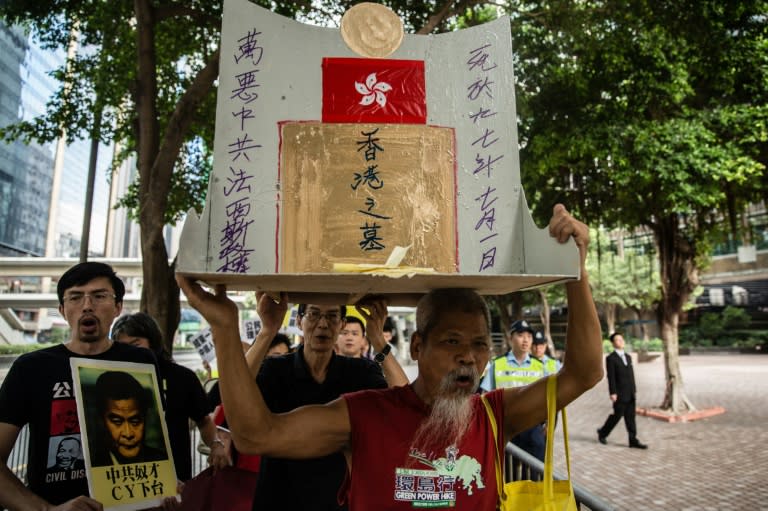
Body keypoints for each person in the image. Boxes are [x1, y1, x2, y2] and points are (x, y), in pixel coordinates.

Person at [177, 203, 603, 510]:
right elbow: (256, 435)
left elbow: (584, 372)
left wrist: (576, 272)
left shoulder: (495, 416)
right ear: (418, 347)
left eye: (479, 345)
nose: (469, 359)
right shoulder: (362, 414)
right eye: (452, 342)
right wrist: (223, 327)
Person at [0, 261, 158, 510]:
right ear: (62, 309)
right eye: (75, 297)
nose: (87, 305)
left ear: (117, 307)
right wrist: (48, 510)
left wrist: (165, 487)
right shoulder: (31, 368)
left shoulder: (140, 362)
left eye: (99, 296)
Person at [111, 312, 230, 480]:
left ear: (153, 342)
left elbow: (203, 421)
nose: (129, 352)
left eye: (136, 344)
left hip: (175, 478)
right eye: (122, 346)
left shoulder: (182, 377)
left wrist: (216, 445)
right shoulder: (109, 379)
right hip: (124, 478)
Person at [479, 319, 548, 461]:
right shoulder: (497, 364)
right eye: (521, 335)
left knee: (534, 476)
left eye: (529, 336)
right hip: (505, 428)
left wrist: (549, 423)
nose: (525, 340)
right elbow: (484, 397)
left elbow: (549, 397)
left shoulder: (540, 366)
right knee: (508, 477)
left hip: (532, 428)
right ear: (510, 338)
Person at [88, 370, 167, 466]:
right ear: (100, 421)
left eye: (135, 421)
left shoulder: (162, 462)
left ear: (145, 418)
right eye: (117, 422)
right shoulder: (91, 466)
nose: (128, 433)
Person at [597, 333, 648, 449]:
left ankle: (633, 440)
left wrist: (634, 390)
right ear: (613, 343)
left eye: (621, 339)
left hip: (630, 393)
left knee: (630, 417)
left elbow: (631, 375)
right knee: (617, 416)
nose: (620, 341)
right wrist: (613, 392)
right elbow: (611, 377)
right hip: (619, 393)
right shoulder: (611, 358)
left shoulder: (628, 357)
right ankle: (603, 432)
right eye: (617, 340)